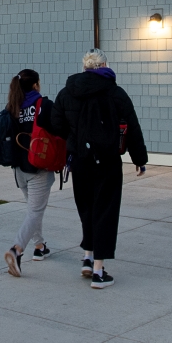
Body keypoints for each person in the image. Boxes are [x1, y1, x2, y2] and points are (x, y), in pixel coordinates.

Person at [52, 48, 147, 289]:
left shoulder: (67, 92)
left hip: (80, 160)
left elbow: (57, 125)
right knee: (105, 210)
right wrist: (139, 158)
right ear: (104, 65)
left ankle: (87, 256)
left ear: (84, 66)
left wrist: (73, 142)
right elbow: (132, 126)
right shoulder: (115, 93)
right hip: (107, 160)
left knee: (86, 208)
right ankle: (98, 270)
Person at [2, 69, 60, 277]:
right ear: (36, 84)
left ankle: (40, 246)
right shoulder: (43, 105)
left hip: (19, 168)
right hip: (39, 166)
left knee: (33, 210)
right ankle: (16, 249)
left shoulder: (12, 107)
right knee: (35, 211)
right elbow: (59, 129)